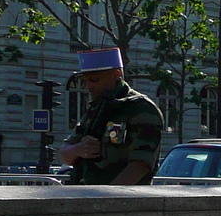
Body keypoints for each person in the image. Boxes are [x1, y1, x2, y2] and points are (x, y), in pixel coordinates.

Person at [57, 47, 164, 185]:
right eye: (86, 81)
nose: (89, 87)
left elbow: (140, 166)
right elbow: (64, 153)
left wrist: (105, 198)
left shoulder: (141, 109)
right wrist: (78, 149)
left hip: (120, 201)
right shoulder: (97, 108)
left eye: (95, 80)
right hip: (85, 196)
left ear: (116, 74)